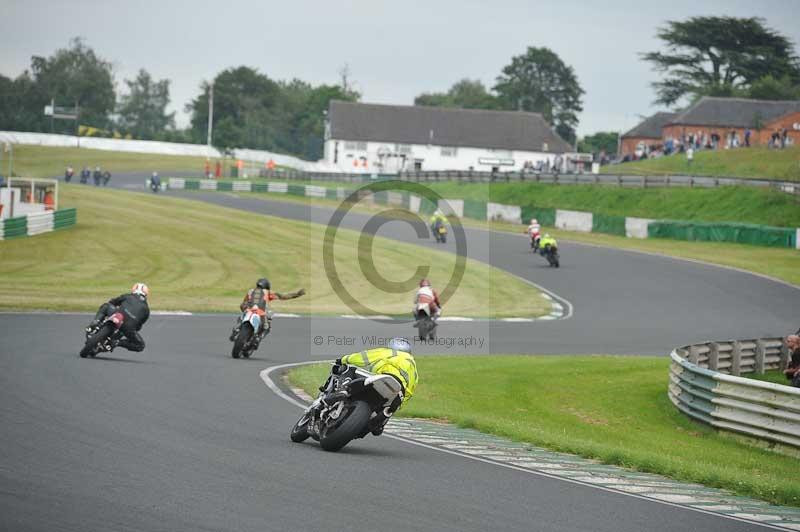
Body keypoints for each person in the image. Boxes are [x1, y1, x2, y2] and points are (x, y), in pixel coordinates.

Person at [333, 337, 418, 435]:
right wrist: (398, 405)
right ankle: (380, 422)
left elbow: (364, 357)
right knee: (386, 412)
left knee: (349, 368)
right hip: (397, 392)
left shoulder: (389, 352)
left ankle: (342, 390)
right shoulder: (414, 367)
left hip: (382, 380)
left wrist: (343, 359)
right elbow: (411, 390)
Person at [229, 278, 305, 343]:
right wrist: (297, 294)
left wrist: (244, 310)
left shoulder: (251, 291)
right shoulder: (268, 292)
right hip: (260, 312)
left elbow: (243, 304)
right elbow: (283, 296)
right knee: (267, 326)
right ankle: (258, 338)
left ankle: (237, 329)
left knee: (241, 317)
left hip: (249, 311)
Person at [86, 283, 151, 352]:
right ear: (146, 294)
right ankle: (117, 342)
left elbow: (112, 302)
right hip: (128, 327)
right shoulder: (147, 310)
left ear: (133, 290)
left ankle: (95, 323)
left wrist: (116, 308)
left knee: (106, 306)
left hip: (118, 316)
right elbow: (139, 326)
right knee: (140, 345)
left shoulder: (128, 296)